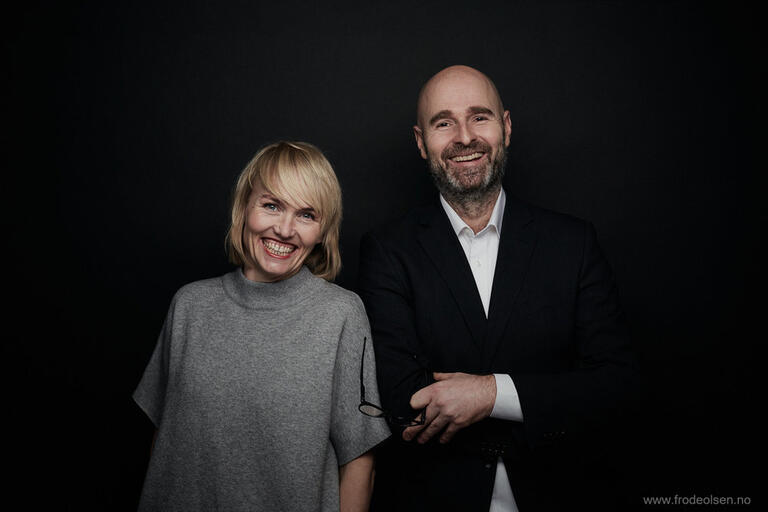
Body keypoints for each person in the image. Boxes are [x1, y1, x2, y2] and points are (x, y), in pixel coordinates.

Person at [358, 65, 635, 511]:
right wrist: (546, 394)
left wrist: (491, 394)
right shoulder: (387, 250)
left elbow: (616, 385)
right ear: (419, 142)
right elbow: (400, 402)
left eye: (479, 117)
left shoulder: (573, 243)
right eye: (443, 122)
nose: (464, 136)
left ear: (505, 127)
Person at [133, 141, 391, 511]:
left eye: (306, 215)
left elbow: (359, 460)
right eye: (272, 205)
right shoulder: (190, 305)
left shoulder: (342, 314)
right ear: (244, 208)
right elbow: (167, 440)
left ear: (323, 231)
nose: (285, 229)